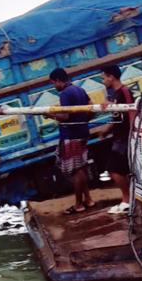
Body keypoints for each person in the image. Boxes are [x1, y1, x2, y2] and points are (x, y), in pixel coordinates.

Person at [46, 67, 95, 214]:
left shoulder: (65, 94)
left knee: (75, 171)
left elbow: (65, 116)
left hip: (71, 136)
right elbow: (91, 110)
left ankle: (78, 204)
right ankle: (88, 199)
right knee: (81, 167)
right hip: (83, 132)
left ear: (59, 81)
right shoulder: (80, 90)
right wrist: (82, 121)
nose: (54, 87)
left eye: (54, 83)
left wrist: (50, 115)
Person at [100, 65, 133, 215]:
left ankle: (127, 200)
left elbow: (128, 111)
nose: (103, 81)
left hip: (125, 137)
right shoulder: (115, 94)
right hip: (119, 137)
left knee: (114, 169)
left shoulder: (124, 91)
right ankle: (127, 199)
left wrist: (112, 106)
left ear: (111, 77)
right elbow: (116, 116)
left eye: (104, 77)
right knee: (120, 170)